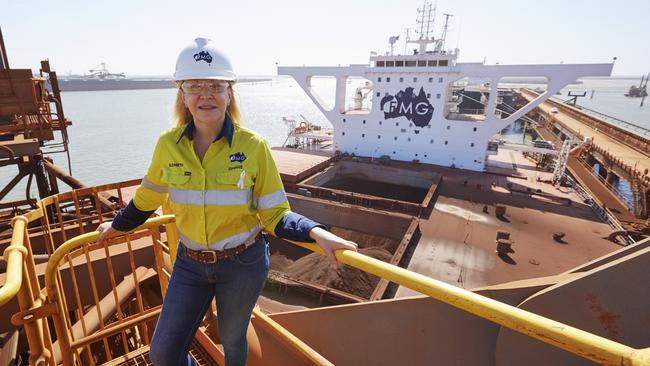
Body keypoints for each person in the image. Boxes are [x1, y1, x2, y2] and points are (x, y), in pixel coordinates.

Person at [95, 37, 358, 366]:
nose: (206, 94)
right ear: (183, 95)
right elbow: (147, 199)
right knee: (163, 353)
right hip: (190, 264)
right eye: (195, 85)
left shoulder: (254, 147)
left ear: (229, 93)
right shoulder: (167, 145)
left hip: (243, 264)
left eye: (216, 85)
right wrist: (117, 224)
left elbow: (276, 213)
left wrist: (316, 232)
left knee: (233, 338)